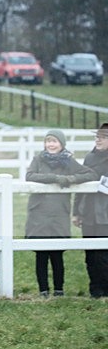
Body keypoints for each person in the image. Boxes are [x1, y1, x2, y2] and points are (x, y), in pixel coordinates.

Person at [26, 130, 97, 297]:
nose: (50, 144)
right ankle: (43, 290)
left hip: (59, 213)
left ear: (62, 144)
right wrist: (55, 178)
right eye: (48, 141)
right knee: (41, 254)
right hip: (39, 213)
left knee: (57, 254)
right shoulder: (38, 159)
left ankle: (59, 290)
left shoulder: (69, 161)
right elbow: (30, 176)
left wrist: (70, 179)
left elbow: (90, 174)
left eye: (54, 141)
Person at [74, 123, 108, 298]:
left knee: (104, 254)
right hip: (88, 212)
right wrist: (76, 211)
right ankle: (95, 288)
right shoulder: (89, 158)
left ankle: (105, 288)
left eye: (103, 137)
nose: (98, 140)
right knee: (90, 254)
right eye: (97, 137)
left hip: (105, 214)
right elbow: (82, 183)